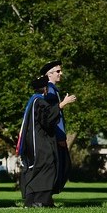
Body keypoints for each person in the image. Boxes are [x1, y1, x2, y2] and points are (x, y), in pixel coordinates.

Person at [18, 75, 75, 207]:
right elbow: (47, 119)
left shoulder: (33, 100)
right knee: (48, 168)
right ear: (45, 89)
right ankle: (40, 201)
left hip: (33, 142)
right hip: (40, 143)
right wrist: (61, 105)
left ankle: (31, 201)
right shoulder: (40, 101)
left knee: (36, 170)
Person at [40, 60, 75, 195]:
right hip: (54, 136)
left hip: (56, 135)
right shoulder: (49, 91)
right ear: (49, 74)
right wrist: (60, 136)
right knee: (60, 166)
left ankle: (49, 196)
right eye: (58, 71)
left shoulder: (53, 90)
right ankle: (47, 196)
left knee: (62, 166)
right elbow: (52, 115)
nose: (61, 73)